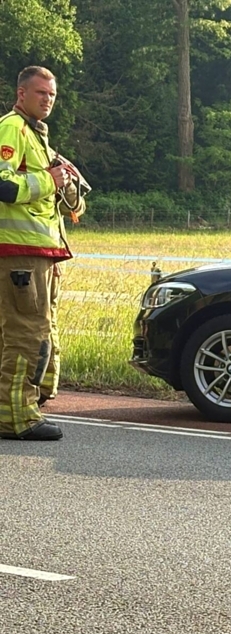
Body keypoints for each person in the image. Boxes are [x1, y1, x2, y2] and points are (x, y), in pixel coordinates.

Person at [0, 66, 79, 440]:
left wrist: (67, 183)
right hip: (19, 254)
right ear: (21, 94)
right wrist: (50, 178)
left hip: (39, 254)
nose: (48, 99)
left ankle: (32, 401)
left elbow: (51, 201)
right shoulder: (12, 128)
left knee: (39, 330)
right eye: (41, 93)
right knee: (26, 334)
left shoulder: (38, 136)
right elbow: (4, 186)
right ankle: (15, 419)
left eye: (52, 95)